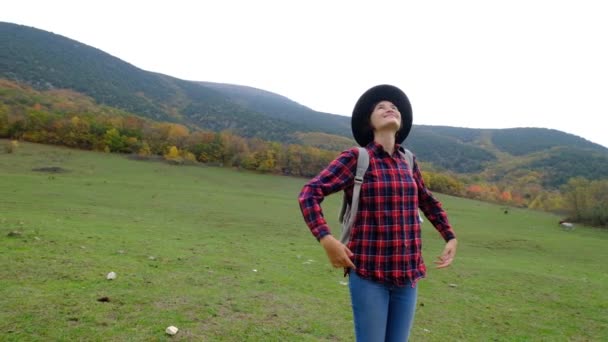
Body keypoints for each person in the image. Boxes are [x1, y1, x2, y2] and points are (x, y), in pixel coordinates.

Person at [298, 84, 458, 341]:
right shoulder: (357, 158)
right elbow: (309, 193)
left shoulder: (409, 161)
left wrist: (450, 236)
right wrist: (326, 239)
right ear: (369, 122)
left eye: (393, 106)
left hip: (407, 276)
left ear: (401, 121)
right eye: (380, 107)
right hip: (369, 274)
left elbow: (426, 200)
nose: (389, 108)